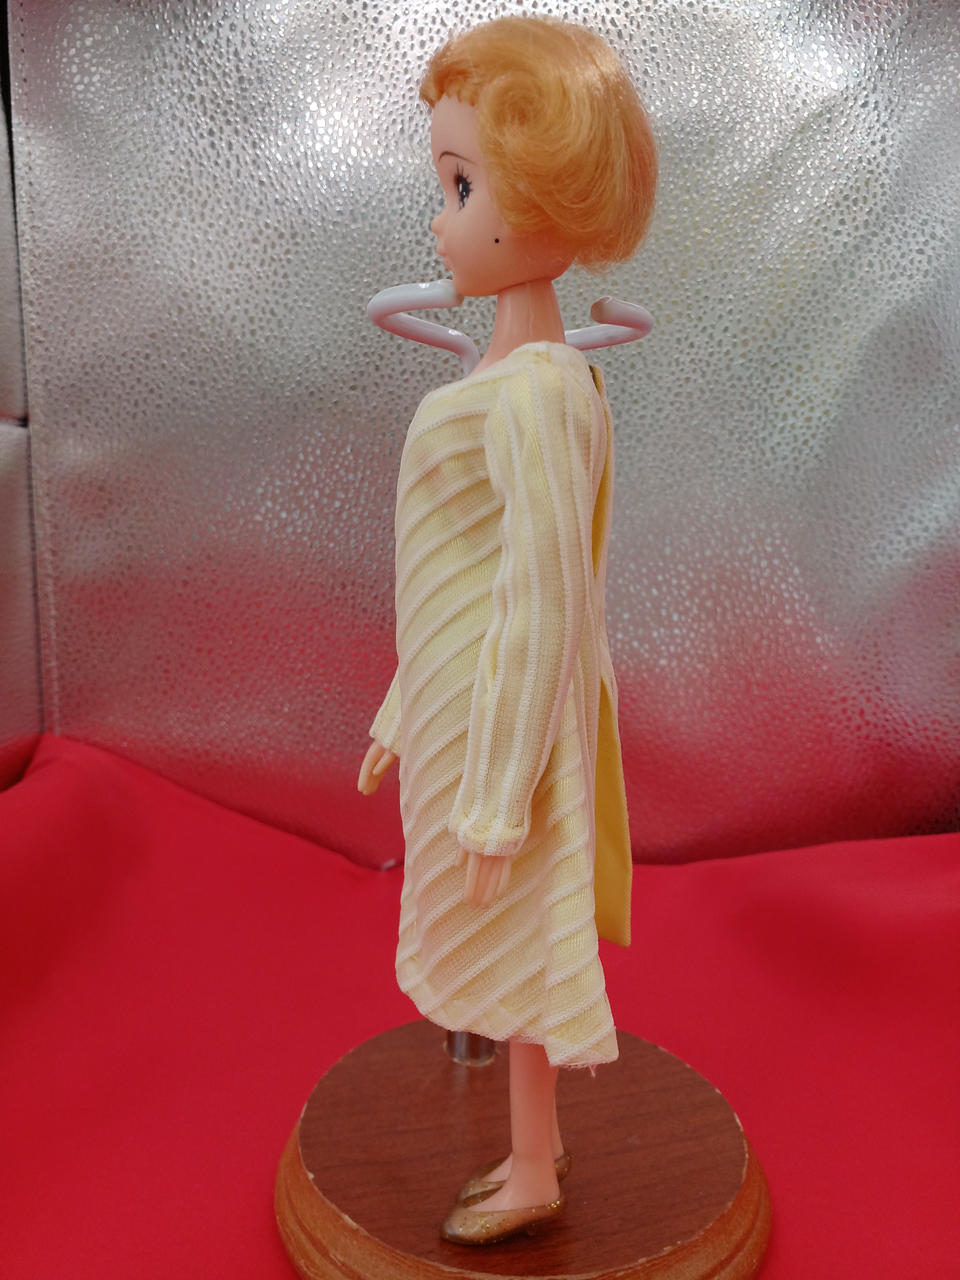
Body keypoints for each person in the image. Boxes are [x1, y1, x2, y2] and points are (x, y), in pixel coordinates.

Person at [358, 14, 656, 1246]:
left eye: (464, 187)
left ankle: (535, 1167)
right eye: (445, 185)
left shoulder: (539, 393)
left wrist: (494, 799)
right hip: (457, 714)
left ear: (544, 200)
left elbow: (540, 598)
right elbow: (451, 576)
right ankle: (534, 1152)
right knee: (502, 945)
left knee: (522, 937)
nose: (440, 222)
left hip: (502, 735)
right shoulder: (516, 379)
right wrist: (398, 712)